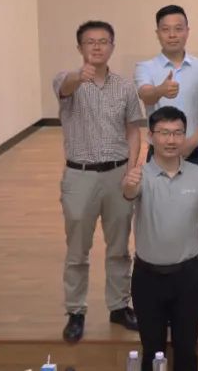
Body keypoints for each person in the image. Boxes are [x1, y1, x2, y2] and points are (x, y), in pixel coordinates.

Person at [54, 20, 146, 343]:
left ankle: (118, 306)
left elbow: (133, 129)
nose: (96, 46)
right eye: (90, 42)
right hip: (79, 176)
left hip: (117, 174)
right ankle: (75, 311)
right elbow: (65, 86)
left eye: (103, 41)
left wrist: (131, 168)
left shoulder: (124, 87)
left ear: (112, 47)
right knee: (77, 249)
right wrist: (78, 77)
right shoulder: (68, 81)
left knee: (119, 247)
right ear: (80, 47)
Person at [134, 4, 198, 320]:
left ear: (187, 31)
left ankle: (196, 294)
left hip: (196, 153)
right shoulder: (146, 67)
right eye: (166, 29)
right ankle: (157, 291)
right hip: (158, 157)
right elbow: (145, 94)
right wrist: (160, 90)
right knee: (158, 220)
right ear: (157, 33)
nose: (172, 34)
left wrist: (191, 141)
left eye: (178, 28)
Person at [122, 107, 198, 371]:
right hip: (147, 278)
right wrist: (128, 183)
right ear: (151, 137)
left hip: (187, 276)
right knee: (152, 350)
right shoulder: (141, 176)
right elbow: (129, 192)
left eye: (177, 133)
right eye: (164, 133)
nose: (171, 140)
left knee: (187, 350)